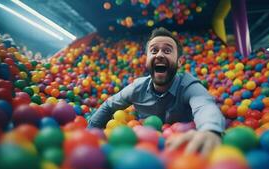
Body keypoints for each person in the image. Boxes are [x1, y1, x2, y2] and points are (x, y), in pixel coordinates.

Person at [88, 27, 226, 156]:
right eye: (154, 51)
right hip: (144, 149)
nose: (159, 55)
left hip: (180, 149)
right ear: (147, 60)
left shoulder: (188, 85)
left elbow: (205, 105)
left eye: (167, 51)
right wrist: (89, 133)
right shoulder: (136, 88)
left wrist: (210, 130)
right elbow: (108, 105)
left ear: (179, 62)